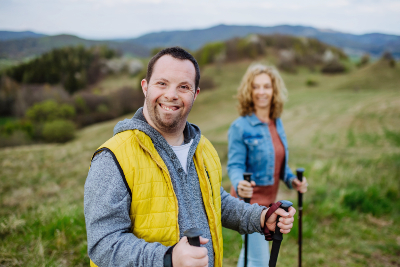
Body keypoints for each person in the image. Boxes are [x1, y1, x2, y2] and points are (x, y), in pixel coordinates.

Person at [84, 47, 296, 267]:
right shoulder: (113, 157)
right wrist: (168, 258)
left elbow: (216, 202)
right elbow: (103, 244)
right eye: (162, 83)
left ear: (195, 94)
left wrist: (260, 218)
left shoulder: (203, 148)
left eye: (183, 87)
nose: (171, 95)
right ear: (145, 87)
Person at [227, 64, 308, 267]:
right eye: (256, 87)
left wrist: (292, 180)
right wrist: (239, 183)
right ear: (249, 91)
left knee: (249, 256)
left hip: (269, 204)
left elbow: (279, 163)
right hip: (248, 204)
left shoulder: (276, 122)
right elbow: (235, 165)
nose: (261, 92)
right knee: (260, 261)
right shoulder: (240, 126)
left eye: (266, 86)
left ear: (274, 91)